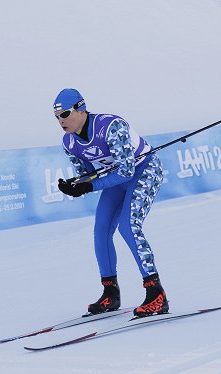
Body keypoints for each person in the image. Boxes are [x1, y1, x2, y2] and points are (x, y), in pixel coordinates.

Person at [53, 88, 168, 318]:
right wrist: (74, 186)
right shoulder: (69, 142)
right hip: (115, 179)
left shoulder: (110, 126)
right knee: (101, 229)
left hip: (143, 170)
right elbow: (87, 176)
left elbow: (126, 171)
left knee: (128, 226)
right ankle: (110, 293)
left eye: (65, 114)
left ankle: (156, 294)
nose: (60, 121)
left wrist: (88, 186)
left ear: (81, 108)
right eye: (56, 117)